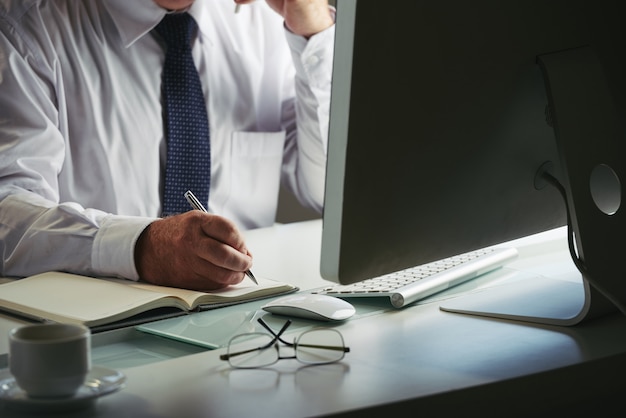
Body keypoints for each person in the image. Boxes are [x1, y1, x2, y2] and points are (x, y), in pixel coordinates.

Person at [0, 0, 334, 290]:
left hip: (254, 313)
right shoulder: (24, 29)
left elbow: (328, 193)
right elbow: (7, 214)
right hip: (97, 331)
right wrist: (141, 248)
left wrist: (314, 34)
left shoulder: (265, 23)